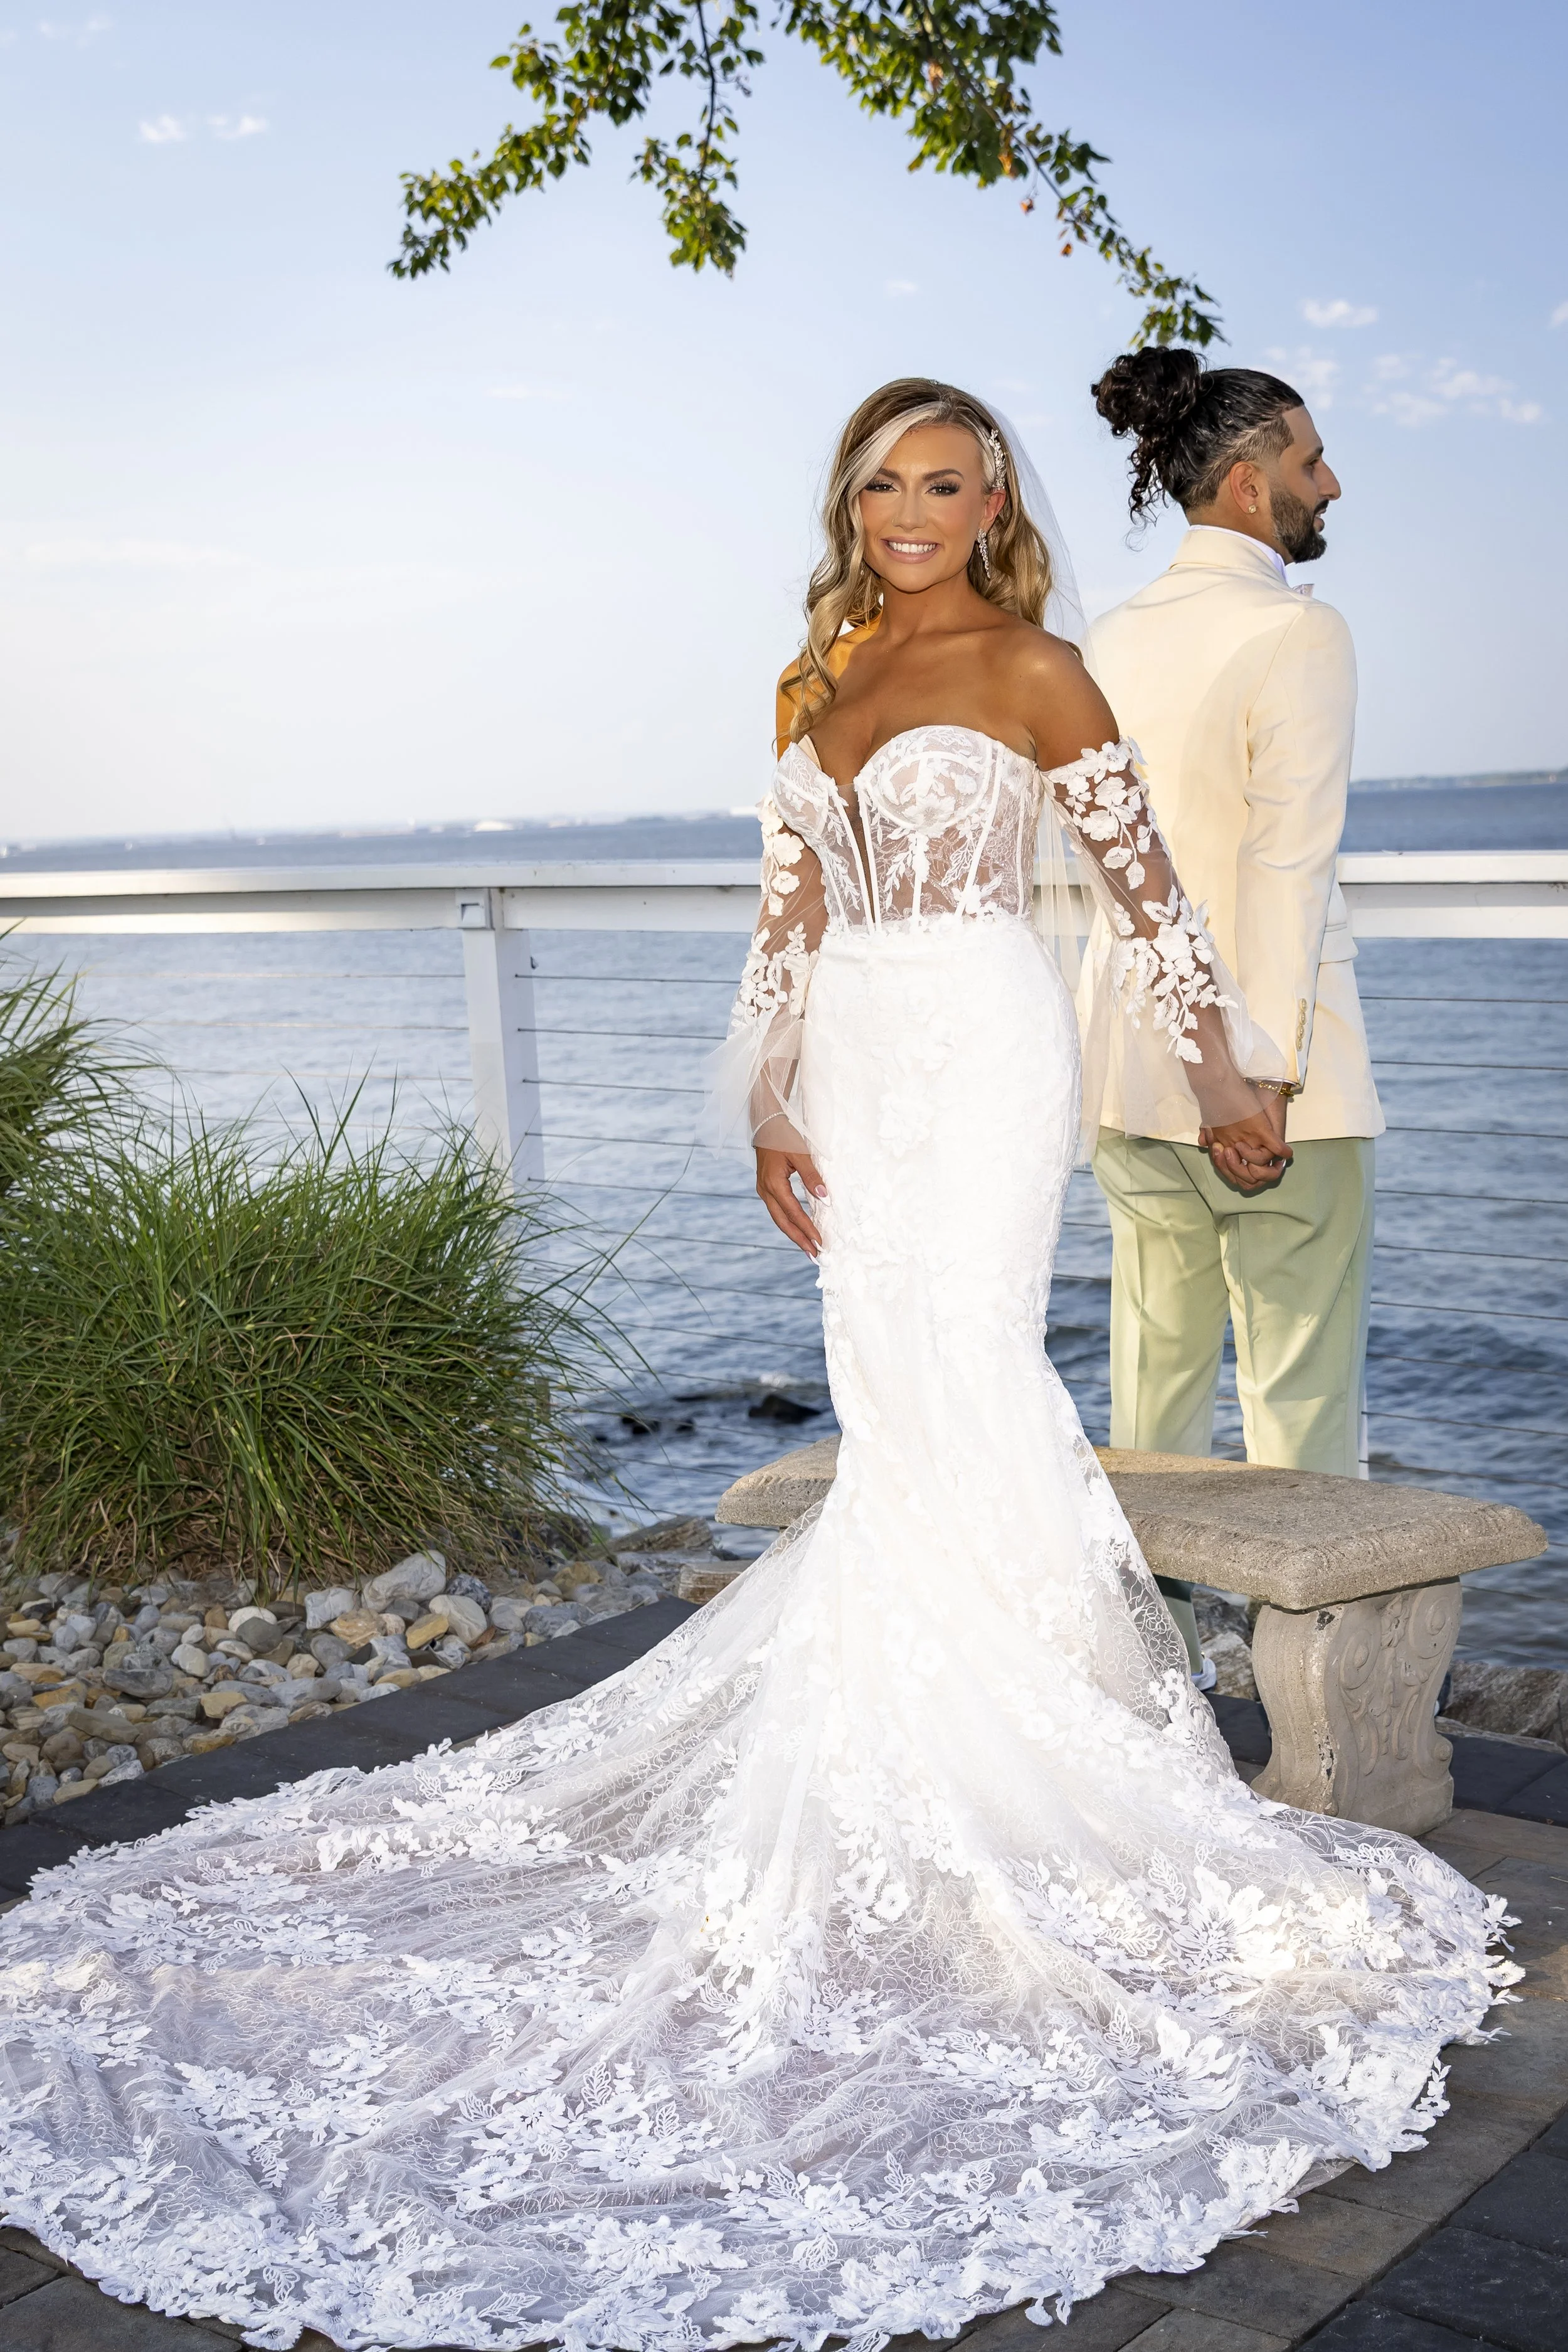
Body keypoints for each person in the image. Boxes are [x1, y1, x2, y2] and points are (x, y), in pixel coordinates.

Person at [0, 380, 1509, 2352]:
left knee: (966, 1363)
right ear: (851, 502)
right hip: (858, 1070)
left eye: (948, 482)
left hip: (981, 1048)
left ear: (993, 507)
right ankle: (938, 1729)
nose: (911, 509)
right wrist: (768, 1093)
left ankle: (1022, 1759)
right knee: (892, 1394)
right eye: (883, 480)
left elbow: (1148, 903)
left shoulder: (1044, 666)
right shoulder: (816, 672)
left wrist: (1228, 1073)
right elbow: (785, 912)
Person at [1084, 348, 1384, 1680]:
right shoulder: (1295, 630)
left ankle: (1143, 1667)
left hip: (1129, 1075)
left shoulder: (1105, 639)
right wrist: (1257, 1079)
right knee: (1299, 1397)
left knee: (1150, 1388)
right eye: (1311, 461)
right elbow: (1283, 872)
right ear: (1253, 486)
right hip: (1271, 1090)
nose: (1331, 484)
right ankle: (1310, 1680)